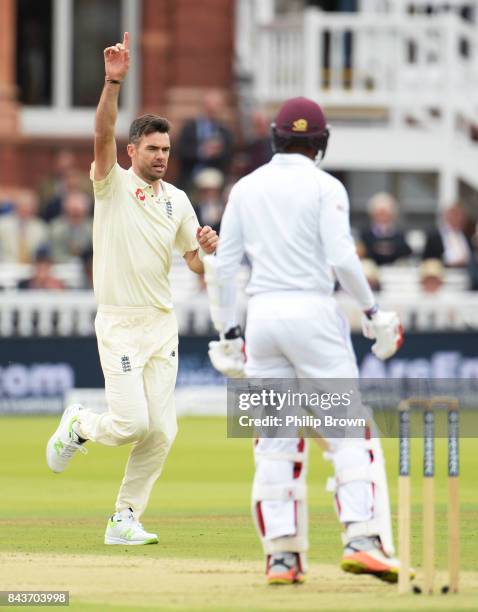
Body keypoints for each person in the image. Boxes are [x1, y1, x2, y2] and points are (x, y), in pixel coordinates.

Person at [204, 97, 406, 585]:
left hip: (263, 318)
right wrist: (374, 312)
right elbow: (341, 258)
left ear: (275, 137)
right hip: (312, 314)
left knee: (275, 441)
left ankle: (282, 556)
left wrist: (228, 332)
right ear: (321, 142)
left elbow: (223, 269)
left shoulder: (245, 188)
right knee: (349, 432)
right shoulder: (325, 186)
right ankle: (362, 539)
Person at [46, 32, 218, 546]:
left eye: (166, 148)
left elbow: (194, 265)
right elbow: (100, 135)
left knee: (163, 431)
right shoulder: (112, 183)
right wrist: (113, 81)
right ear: (132, 150)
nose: (162, 156)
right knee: (129, 424)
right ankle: (78, 425)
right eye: (153, 148)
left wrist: (208, 251)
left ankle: (124, 518)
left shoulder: (179, 201)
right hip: (119, 322)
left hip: (160, 324)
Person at [176, 90, 234, 193]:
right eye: (210, 107)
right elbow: (180, 151)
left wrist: (218, 152)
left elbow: (229, 156)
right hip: (191, 175)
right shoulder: (190, 128)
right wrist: (202, 151)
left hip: (216, 175)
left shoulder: (224, 131)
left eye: (216, 107)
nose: (213, 110)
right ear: (203, 107)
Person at [359, 192, 412, 266]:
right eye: (380, 213)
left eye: (386, 213)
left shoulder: (400, 234)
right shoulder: (364, 234)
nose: (383, 217)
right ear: (372, 214)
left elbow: (406, 253)